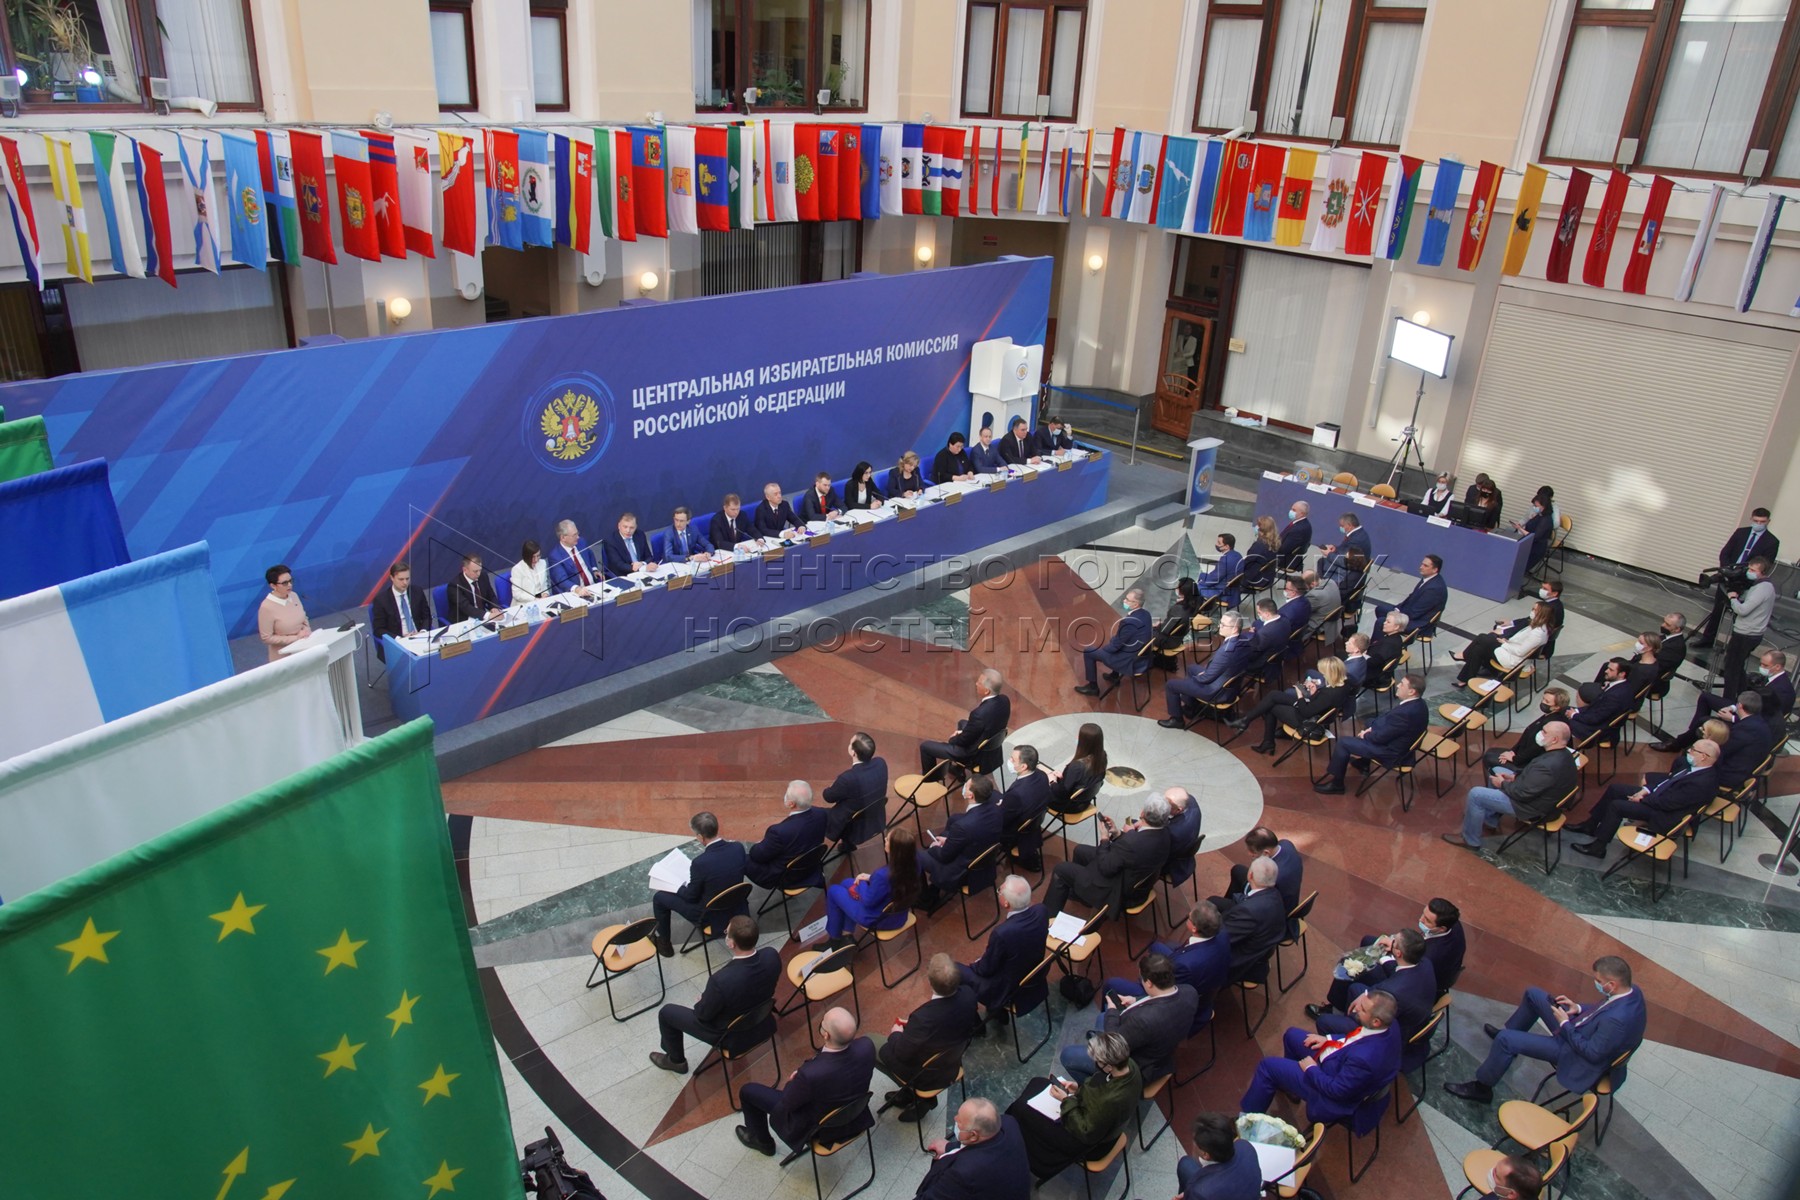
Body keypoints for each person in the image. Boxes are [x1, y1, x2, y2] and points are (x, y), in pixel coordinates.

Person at [1444, 956, 1647, 1103]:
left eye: (1599, 982)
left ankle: (1482, 1088)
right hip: (1581, 1030)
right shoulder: (1631, 991)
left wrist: (1565, 1024)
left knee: (1506, 1040)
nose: (1597, 984)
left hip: (1573, 1053)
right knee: (1534, 994)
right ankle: (1511, 1036)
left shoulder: (1617, 1020)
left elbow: (1592, 1053)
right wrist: (1578, 1008)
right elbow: (1603, 1007)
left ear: (1612, 984)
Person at [1239, 991, 1402, 1124]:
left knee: (1267, 1067)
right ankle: (1291, 1088)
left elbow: (1336, 1090)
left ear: (1376, 1021)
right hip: (1337, 1060)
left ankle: (1247, 1124)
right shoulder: (1390, 1024)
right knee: (1291, 1035)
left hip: (1327, 1091)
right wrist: (1328, 1039)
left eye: (1363, 1009)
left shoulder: (1364, 1059)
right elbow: (1356, 1037)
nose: (1356, 1008)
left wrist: (1311, 1069)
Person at [735, 1006, 875, 1156]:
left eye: (823, 1022)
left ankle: (763, 1142)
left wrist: (794, 1080)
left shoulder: (810, 1074)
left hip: (821, 1128)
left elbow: (788, 1103)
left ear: (826, 1035)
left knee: (748, 1091)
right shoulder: (867, 1045)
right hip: (855, 1115)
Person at [649, 915, 780, 1074]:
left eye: (727, 933)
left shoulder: (721, 980)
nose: (726, 935)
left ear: (731, 943)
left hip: (732, 1036)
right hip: (763, 1021)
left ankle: (676, 1061)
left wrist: (704, 1000)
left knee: (667, 1013)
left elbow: (702, 1015)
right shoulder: (772, 955)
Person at [1006, 1031, 1142, 1182]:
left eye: (1098, 1061)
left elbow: (1085, 1131)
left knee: (1022, 1109)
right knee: (1037, 1083)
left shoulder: (1111, 1100)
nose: (1096, 1064)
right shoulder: (1129, 1066)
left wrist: (1066, 1100)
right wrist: (1077, 1088)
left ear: (1109, 1067)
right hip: (1094, 1119)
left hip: (1089, 1143)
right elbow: (1098, 1089)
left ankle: (1013, 1142)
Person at [1567, 738, 1719, 858]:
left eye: (1693, 749)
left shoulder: (1702, 783)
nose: (1689, 751)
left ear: (1703, 756)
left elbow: (1669, 803)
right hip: (1658, 798)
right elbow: (1668, 781)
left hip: (1664, 814)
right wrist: (1646, 790)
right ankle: (1590, 825)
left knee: (1617, 806)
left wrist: (1642, 799)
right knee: (1615, 789)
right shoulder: (1692, 767)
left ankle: (1599, 847)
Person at [1061, 952, 1198, 1084]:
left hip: (1136, 1067)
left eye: (1142, 979)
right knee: (1102, 1018)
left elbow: (1115, 1043)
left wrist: (1113, 1010)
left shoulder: (1143, 1020)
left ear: (1149, 983)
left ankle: (1100, 1087)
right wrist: (1136, 1000)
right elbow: (1164, 997)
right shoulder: (1190, 992)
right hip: (1162, 1051)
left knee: (1067, 1055)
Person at [877, 954, 981, 1121]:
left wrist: (896, 1033)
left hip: (927, 1075)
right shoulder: (969, 994)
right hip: (953, 1061)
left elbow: (902, 1054)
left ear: (930, 982)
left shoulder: (923, 1019)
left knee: (873, 1046)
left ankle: (918, 1096)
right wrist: (913, 1030)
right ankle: (911, 1094)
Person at [1446, 720, 1578, 850]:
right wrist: (1514, 776)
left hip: (1530, 807)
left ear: (1554, 739)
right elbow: (1535, 779)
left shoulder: (1547, 765)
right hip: (1538, 797)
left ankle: (1470, 840)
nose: (1540, 733)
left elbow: (1521, 793)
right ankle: (1490, 820)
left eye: (1544, 732)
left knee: (1476, 795)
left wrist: (1502, 784)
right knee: (1497, 771)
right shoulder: (1564, 755)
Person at [1106, 900, 1230, 1035]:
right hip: (1205, 976)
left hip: (1183, 1003)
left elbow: (1168, 994)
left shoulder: (1184, 966)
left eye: (1189, 918)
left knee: (1111, 984)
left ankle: (1109, 1021)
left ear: (1194, 928)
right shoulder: (1222, 933)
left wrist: (1142, 988)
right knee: (1156, 947)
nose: (1187, 917)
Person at [1322, 899, 1465, 1014]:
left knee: (1352, 965)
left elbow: (1406, 969)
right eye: (1423, 914)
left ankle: (1335, 1007)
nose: (1421, 920)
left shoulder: (1431, 956)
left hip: (1411, 982)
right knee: (1368, 941)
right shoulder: (1452, 924)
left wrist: (1394, 948)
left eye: (1427, 920)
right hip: (1418, 966)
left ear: (1441, 928)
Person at [1042, 794, 1172, 917]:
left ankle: (1047, 917)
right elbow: (1132, 851)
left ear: (1142, 813)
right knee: (1080, 850)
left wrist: (1104, 838)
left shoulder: (1132, 841)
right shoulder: (1166, 834)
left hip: (1117, 889)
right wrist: (1117, 833)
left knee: (1061, 869)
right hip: (1134, 878)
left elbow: (1106, 867)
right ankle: (1080, 893)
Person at [1307, 928, 1436, 1049]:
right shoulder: (1425, 962)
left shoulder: (1391, 991)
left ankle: (1345, 1038)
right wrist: (1384, 959)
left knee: (1324, 1021)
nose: (1390, 940)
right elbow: (1398, 973)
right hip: (1411, 1009)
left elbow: (1387, 994)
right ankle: (1341, 1012)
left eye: (1394, 941)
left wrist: (1364, 999)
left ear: (1398, 953)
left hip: (1390, 1032)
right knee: (1355, 988)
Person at [1654, 649, 1793, 753]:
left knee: (1705, 720)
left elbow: (1764, 720)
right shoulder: (1770, 679)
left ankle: (1679, 743)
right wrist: (1734, 707)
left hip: (1751, 720)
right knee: (1706, 697)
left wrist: (1732, 718)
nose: (1761, 667)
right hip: (1747, 708)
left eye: (1765, 665)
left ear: (1777, 667)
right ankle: (1693, 735)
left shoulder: (1782, 691)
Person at [650, 810, 749, 956]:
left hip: (710, 915)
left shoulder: (700, 863)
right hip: (737, 906)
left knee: (659, 898)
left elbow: (691, 897)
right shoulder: (738, 848)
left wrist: (677, 887)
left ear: (700, 837)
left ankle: (664, 945)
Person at [1314, 673, 1429, 794]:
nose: (1398, 685)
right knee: (1369, 722)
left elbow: (1381, 737)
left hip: (1390, 752)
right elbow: (1390, 726)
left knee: (1343, 743)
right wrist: (1372, 727)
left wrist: (1366, 734)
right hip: (1397, 743)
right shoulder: (1420, 704)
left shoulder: (1404, 714)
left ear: (1411, 692)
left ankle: (1337, 784)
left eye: (1402, 684)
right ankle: (1364, 763)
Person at [960, 876, 1049, 1027]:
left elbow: (985, 969)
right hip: (1033, 978)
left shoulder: (1002, 933)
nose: (998, 891)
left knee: (955, 970)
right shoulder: (1041, 911)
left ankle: (976, 1025)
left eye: (999, 891)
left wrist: (974, 965)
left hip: (1008, 989)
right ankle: (996, 1013)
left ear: (1006, 903)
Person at [1232, 658, 1352, 756]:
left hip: (1306, 720)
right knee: (1274, 695)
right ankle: (1247, 722)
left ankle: (1264, 739)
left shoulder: (1329, 694)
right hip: (1314, 708)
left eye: (1324, 673)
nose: (1323, 675)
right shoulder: (1345, 684)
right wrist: (1314, 692)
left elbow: (1306, 712)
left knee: (1271, 707)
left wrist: (1300, 695)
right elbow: (1320, 703)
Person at [916, 1098, 1032, 1200]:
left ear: (973, 1135)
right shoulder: (1009, 1123)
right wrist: (949, 1147)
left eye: (959, 1122)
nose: (955, 1118)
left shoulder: (962, 1174)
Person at [1695, 508, 1780, 646]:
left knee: (1740, 614)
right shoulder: (1741, 532)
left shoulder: (1772, 541)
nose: (1759, 524)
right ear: (1751, 519)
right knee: (1717, 610)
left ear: (1768, 521)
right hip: (1729, 576)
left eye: (1762, 522)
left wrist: (1744, 572)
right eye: (1756, 521)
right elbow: (1725, 552)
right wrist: (1727, 570)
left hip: (1747, 581)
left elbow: (1765, 564)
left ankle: (1735, 644)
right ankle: (1707, 639)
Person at [1160, 611, 1259, 728]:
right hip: (1230, 685)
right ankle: (1191, 707)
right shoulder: (1244, 639)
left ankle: (1177, 720)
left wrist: (1197, 678)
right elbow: (1252, 636)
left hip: (1215, 691)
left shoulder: (1226, 652)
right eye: (1220, 623)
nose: (1219, 626)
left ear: (1234, 629)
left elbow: (1206, 679)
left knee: (1171, 685)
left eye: (1223, 625)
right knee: (1192, 668)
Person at [919, 775, 1005, 907]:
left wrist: (934, 847)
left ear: (971, 795)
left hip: (963, 870)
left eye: (967, 785)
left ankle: (926, 899)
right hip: (981, 853)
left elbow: (944, 856)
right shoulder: (997, 807)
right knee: (951, 825)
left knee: (915, 857)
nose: (964, 786)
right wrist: (949, 841)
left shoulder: (963, 826)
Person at [825, 826, 921, 944]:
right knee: (847, 883)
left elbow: (868, 901)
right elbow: (894, 881)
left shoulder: (882, 875)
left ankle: (834, 940)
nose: (884, 840)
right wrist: (870, 878)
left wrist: (862, 881)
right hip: (899, 914)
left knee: (833, 891)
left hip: (877, 919)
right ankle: (847, 935)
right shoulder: (915, 863)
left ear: (894, 848)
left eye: (887, 840)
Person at [919, 668, 1010, 776]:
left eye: (979, 683)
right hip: (992, 747)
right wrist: (963, 732)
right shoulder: (1005, 700)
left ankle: (930, 780)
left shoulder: (979, 714)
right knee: (962, 723)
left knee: (925, 746)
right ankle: (958, 770)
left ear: (987, 691)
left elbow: (964, 741)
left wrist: (953, 739)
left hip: (973, 755)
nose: (976, 684)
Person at [744, 780, 828, 889]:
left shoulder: (779, 832)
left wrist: (760, 844)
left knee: (740, 857)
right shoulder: (822, 814)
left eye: (786, 795)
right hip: (811, 867)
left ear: (791, 804)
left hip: (785, 877)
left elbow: (757, 855)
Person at [1214, 856, 1288, 982]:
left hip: (1239, 962)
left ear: (1250, 875)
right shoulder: (1276, 895)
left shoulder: (1247, 912)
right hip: (1259, 944)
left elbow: (1221, 938)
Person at [1074, 586, 1153, 695]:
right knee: (1118, 642)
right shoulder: (1146, 614)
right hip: (1139, 656)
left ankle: (1092, 687)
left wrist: (1103, 650)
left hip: (1127, 660)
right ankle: (1114, 676)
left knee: (1089, 651)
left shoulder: (1129, 622)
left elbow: (1115, 646)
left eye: (1127, 600)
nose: (1124, 601)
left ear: (1135, 604)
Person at [1454, 601, 1552, 686]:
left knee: (1482, 638)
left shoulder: (1538, 634)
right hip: (1511, 649)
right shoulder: (1537, 625)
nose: (1532, 611)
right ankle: (1465, 679)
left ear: (1542, 614)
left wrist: (1505, 643)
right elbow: (1520, 640)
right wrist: (1507, 641)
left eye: (1535, 610)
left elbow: (1520, 652)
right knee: (1479, 649)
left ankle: (1465, 657)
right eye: (1532, 609)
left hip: (1513, 658)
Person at [1215, 826, 1304, 919]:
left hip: (1273, 911)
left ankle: (1231, 914)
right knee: (1237, 870)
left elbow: (1256, 895)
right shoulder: (1286, 844)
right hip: (1283, 896)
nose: (1249, 854)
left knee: (1214, 901)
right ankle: (1229, 904)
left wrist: (1240, 898)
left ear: (1266, 853)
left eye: (1253, 853)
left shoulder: (1274, 875)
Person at [1720, 557, 1776, 699]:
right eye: (1749, 568)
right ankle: (1742, 695)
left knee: (1731, 668)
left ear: (1762, 572)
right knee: (1737, 666)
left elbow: (1743, 610)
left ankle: (1728, 700)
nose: (1749, 572)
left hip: (1746, 634)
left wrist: (1733, 598)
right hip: (1750, 633)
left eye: (1753, 570)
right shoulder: (1761, 586)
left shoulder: (1762, 588)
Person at [1175, 1112, 1263, 1200]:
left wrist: (1191, 1194)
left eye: (1194, 1141)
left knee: (1185, 1164)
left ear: (1205, 1154)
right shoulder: (1245, 1147)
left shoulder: (1200, 1193)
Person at [823, 731, 888, 847]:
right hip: (875, 818)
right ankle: (846, 845)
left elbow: (828, 797)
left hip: (852, 826)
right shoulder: (881, 763)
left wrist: (832, 786)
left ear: (853, 753)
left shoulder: (848, 778)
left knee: (813, 815)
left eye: (850, 743)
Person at [1484, 688, 1569, 775]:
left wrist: (1514, 758)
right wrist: (1512, 751)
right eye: (1543, 698)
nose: (1543, 702)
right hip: (1520, 753)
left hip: (1526, 763)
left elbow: (1535, 749)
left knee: (1489, 757)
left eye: (1547, 701)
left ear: (1557, 707)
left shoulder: (1551, 724)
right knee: (1491, 752)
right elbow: (1526, 736)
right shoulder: (1549, 716)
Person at [999, 745, 1051, 871]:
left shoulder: (1016, 794)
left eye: (1013, 760)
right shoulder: (1042, 775)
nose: (1009, 761)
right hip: (1033, 820)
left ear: (1023, 767)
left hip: (1014, 831)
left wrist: (1001, 806)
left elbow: (1003, 820)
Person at [369, 561, 433, 660]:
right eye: (401, 579)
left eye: (407, 579)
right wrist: (399, 639)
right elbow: (379, 629)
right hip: (398, 642)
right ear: (392, 578)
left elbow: (427, 617)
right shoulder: (381, 600)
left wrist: (423, 631)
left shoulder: (417, 592)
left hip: (420, 637)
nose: (405, 583)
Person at [1370, 554, 1447, 636]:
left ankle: (1384, 641)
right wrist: (1398, 608)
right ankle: (1387, 636)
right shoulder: (1428, 578)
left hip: (1418, 623)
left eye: (1425, 566)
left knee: (1381, 622)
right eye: (1422, 564)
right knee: (1380, 609)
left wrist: (1397, 615)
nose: (1421, 567)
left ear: (1435, 569)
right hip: (1410, 612)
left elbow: (1415, 613)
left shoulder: (1434, 590)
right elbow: (1411, 597)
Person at [1566, 658, 1636, 745]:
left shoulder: (1615, 696)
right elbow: (1596, 707)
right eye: (1607, 668)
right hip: (1598, 721)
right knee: (1562, 709)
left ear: (1622, 674)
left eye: (1611, 670)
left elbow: (1595, 718)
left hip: (1598, 731)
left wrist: (1574, 715)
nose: (1606, 671)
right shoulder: (1623, 686)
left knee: (1560, 719)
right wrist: (1577, 711)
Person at [258, 563, 311, 661]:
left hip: (304, 649)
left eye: (291, 581)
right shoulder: (266, 607)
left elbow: (304, 618)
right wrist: (296, 638)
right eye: (285, 583)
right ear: (273, 585)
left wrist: (306, 630)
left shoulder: (294, 595)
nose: (290, 585)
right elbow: (266, 638)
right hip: (284, 657)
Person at [1149, 577, 1202, 670]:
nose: (1176, 588)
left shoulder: (1178, 610)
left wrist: (1157, 625)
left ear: (1183, 591)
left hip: (1168, 641)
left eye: (1178, 587)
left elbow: (1165, 630)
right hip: (1179, 636)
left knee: (1142, 631)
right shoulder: (1197, 601)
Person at [548, 519, 605, 596]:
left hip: (594, 587)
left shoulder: (581, 542)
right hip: (575, 593)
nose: (578, 537)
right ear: (563, 537)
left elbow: (590, 555)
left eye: (577, 533)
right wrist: (577, 589)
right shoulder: (555, 556)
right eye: (574, 535)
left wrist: (594, 570)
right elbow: (561, 580)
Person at [445, 552, 501, 624]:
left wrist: (494, 607)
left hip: (482, 617)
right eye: (475, 571)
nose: (478, 574)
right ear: (465, 570)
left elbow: (491, 596)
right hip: (464, 621)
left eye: (480, 570)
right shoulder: (454, 585)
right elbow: (466, 607)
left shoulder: (483, 576)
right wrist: (488, 615)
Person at [1317, 513, 1371, 586]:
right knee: (1322, 562)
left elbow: (1345, 561)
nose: (1340, 528)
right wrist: (1335, 549)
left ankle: (1324, 585)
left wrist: (1329, 554)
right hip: (1354, 565)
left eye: (1342, 526)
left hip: (1349, 571)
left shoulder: (1356, 540)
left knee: (1321, 563)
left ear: (1349, 525)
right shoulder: (1359, 533)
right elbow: (1345, 550)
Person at [1510, 494, 1555, 578]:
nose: (1534, 508)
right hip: (1529, 543)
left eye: (1536, 506)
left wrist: (1519, 528)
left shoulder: (1546, 520)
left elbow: (1534, 537)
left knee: (1516, 564)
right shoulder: (1539, 515)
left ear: (1544, 506)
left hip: (1536, 548)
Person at [600, 512, 658, 577]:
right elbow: (619, 565)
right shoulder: (610, 541)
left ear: (636, 527)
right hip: (623, 575)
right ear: (619, 526)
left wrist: (642, 563)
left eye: (632, 528)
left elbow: (649, 557)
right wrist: (641, 568)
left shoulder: (640, 535)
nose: (628, 530)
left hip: (644, 573)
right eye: (625, 527)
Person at [1195, 533, 1244, 606]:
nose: (1216, 544)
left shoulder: (1225, 560)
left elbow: (1214, 579)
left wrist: (1201, 581)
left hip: (1222, 593)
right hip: (1233, 592)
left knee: (1193, 588)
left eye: (1219, 543)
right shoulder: (1238, 555)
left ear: (1227, 546)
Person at [1241, 516, 1281, 591]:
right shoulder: (1275, 542)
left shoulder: (1259, 545)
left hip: (1255, 578)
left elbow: (1248, 562)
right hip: (1267, 577)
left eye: (1258, 525)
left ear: (1263, 529)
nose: (1256, 527)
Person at [1301, 570, 1341, 638]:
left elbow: (1301, 611)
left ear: (1313, 584)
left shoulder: (1314, 595)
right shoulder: (1331, 581)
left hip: (1319, 626)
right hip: (1333, 621)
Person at [1277, 500, 1312, 572]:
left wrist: (1270, 547)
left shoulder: (1299, 529)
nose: (1291, 511)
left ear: (1302, 513)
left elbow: (1284, 549)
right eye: (1291, 509)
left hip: (1286, 560)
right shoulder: (1302, 523)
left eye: (1294, 510)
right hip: (1288, 556)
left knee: (1259, 554)